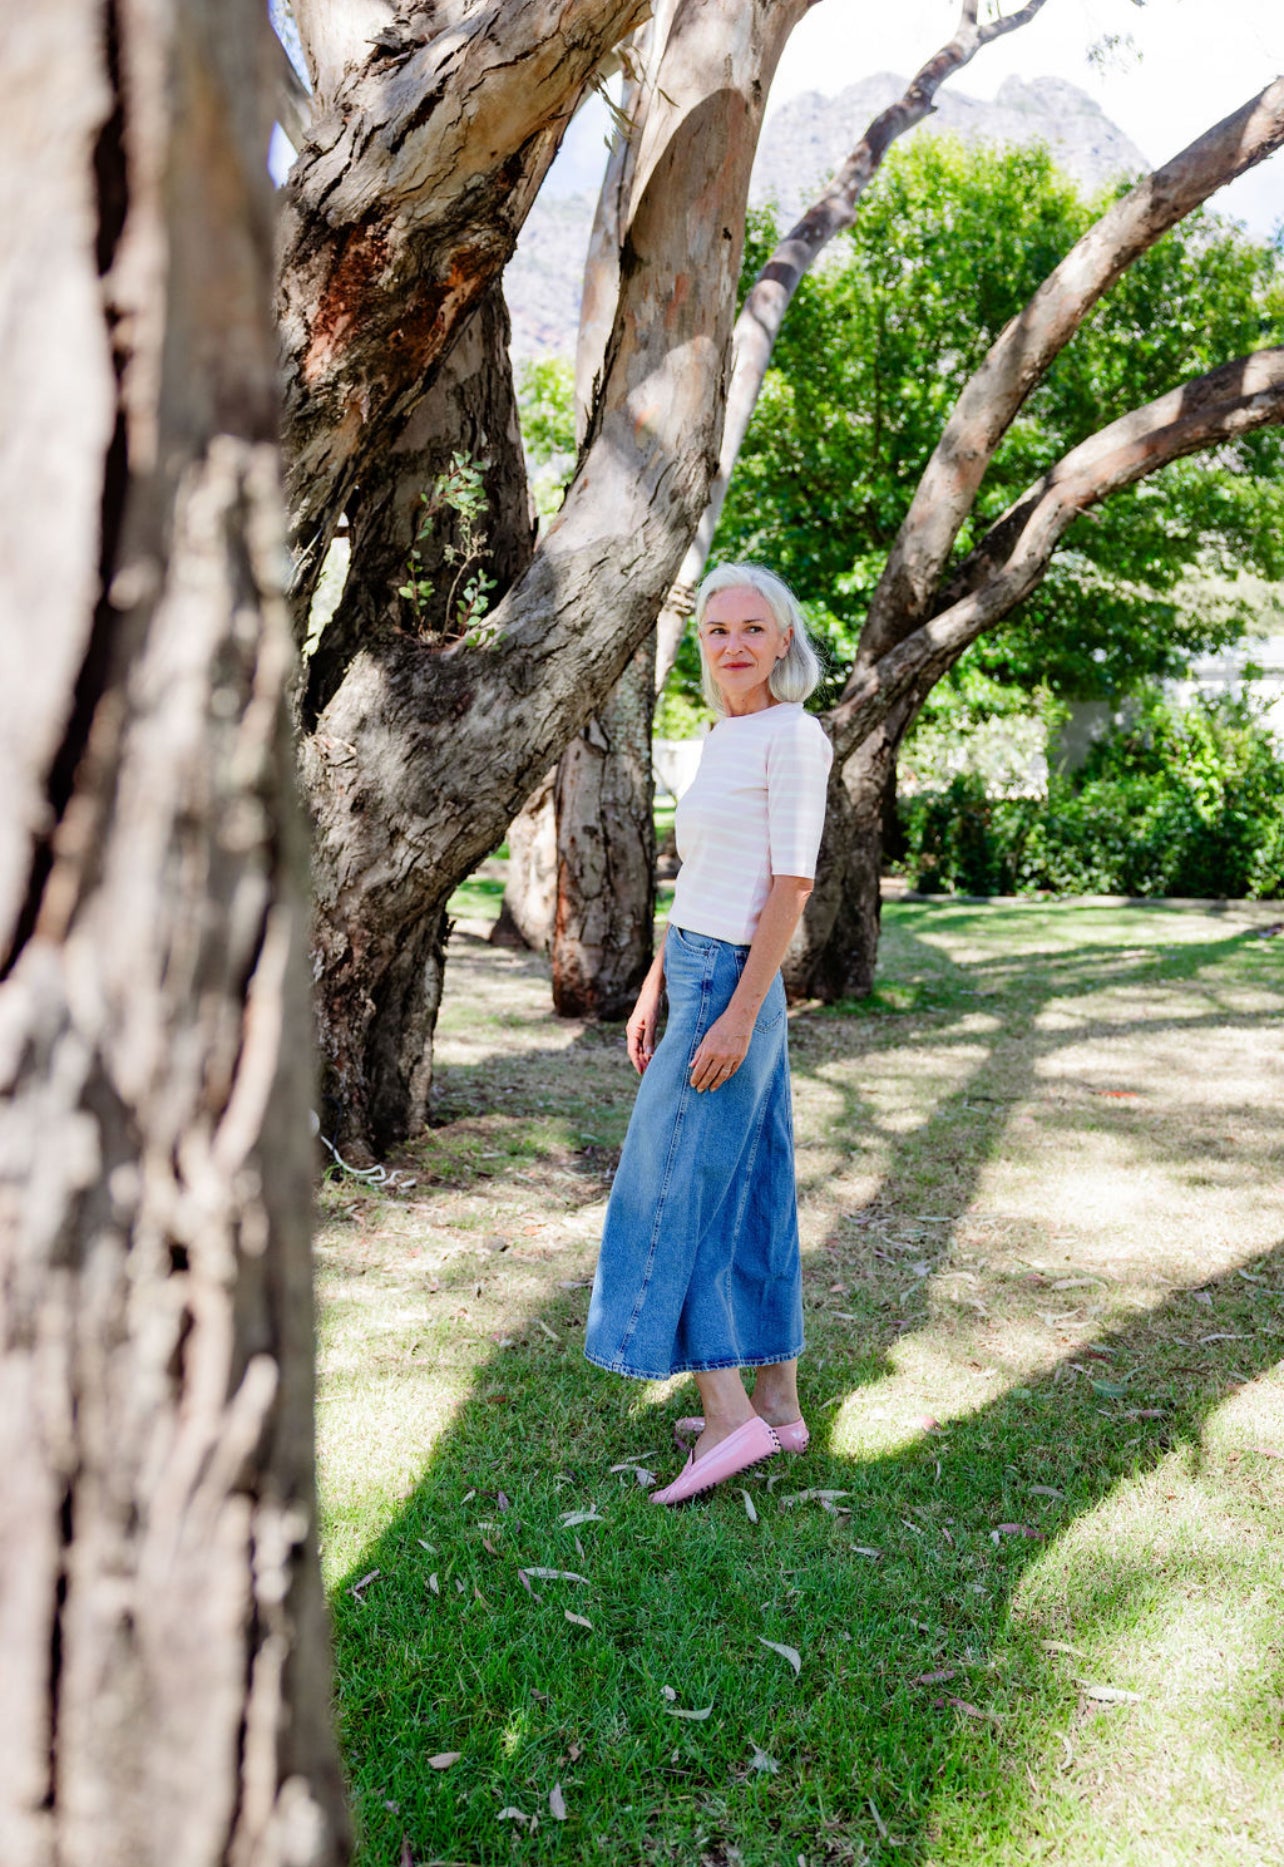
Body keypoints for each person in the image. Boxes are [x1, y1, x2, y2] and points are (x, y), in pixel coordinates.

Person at [583, 562, 833, 1505]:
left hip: (735, 979)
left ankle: (728, 1418)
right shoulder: (723, 735)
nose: (733, 644)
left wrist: (734, 1011)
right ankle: (779, 1402)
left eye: (752, 628)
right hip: (696, 965)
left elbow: (791, 887)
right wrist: (656, 983)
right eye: (717, 629)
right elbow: (702, 879)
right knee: (752, 1186)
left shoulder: (794, 735)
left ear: (783, 640)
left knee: (668, 1189)